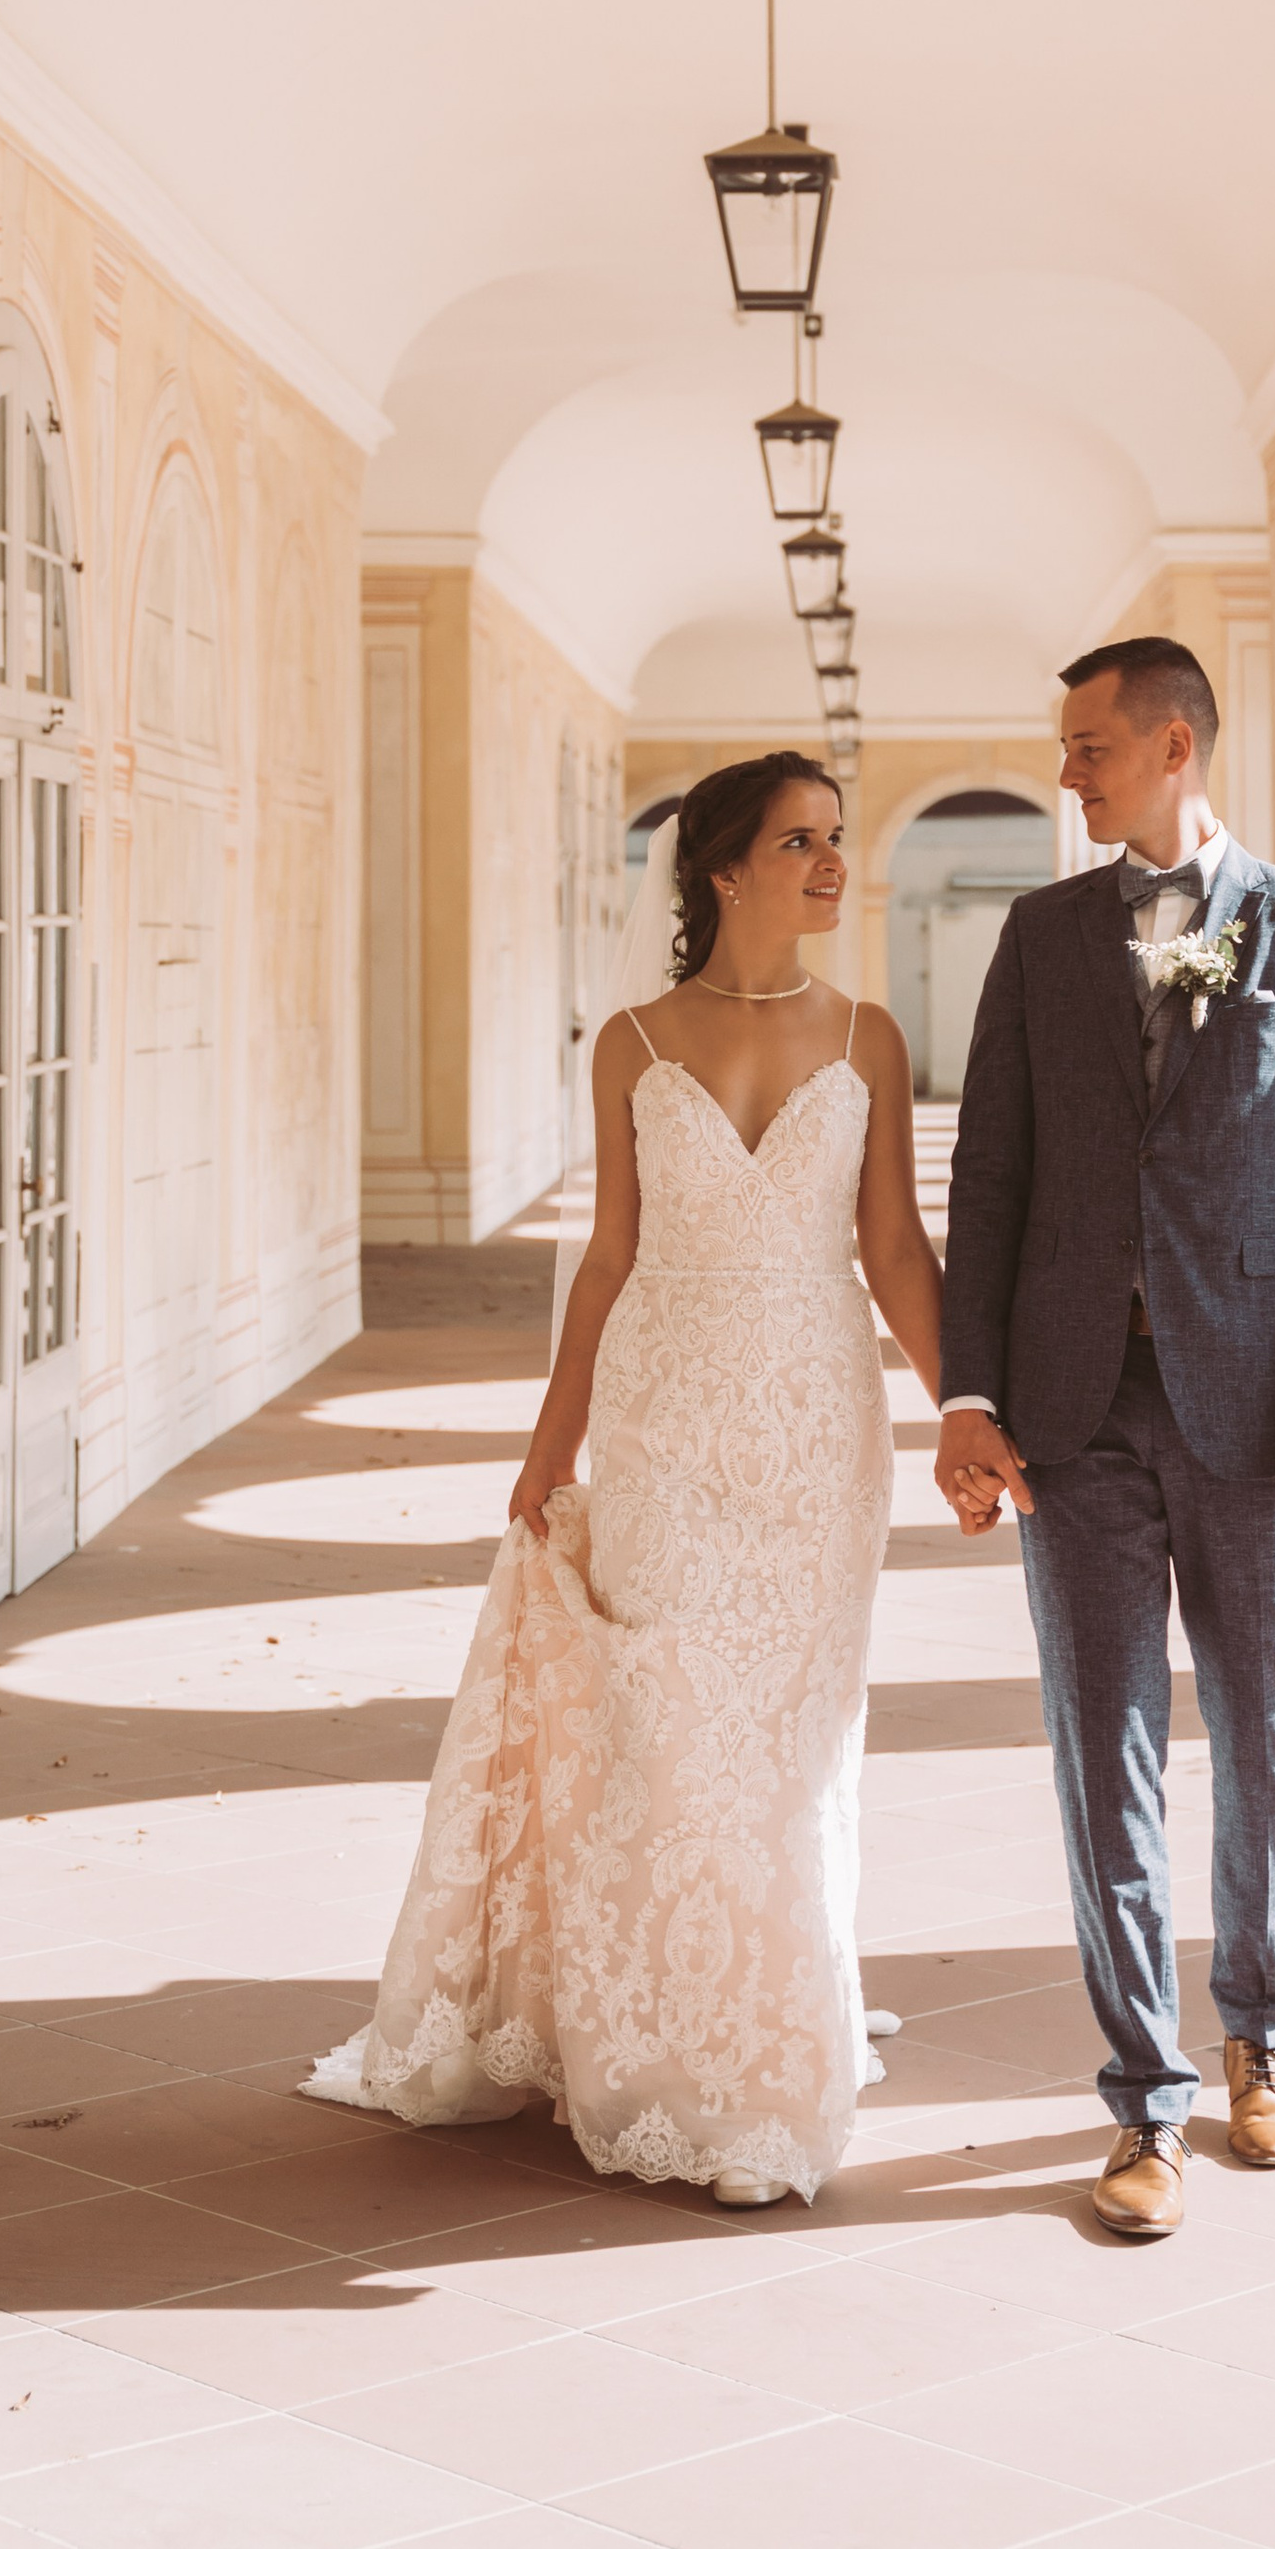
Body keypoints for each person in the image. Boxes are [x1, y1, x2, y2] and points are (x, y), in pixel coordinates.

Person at [304, 750, 945, 2208]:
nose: (832, 863)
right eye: (802, 841)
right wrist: (551, 1441)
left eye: (837, 837)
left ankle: (770, 2045)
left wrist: (973, 1408)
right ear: (725, 869)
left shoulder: (871, 1035)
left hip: (816, 1430)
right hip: (665, 1422)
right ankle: (664, 2040)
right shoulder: (634, 1043)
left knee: (791, 1742)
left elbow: (897, 1248)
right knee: (667, 1726)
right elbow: (608, 1256)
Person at [936, 636, 1275, 2239]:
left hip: (1253, 1407)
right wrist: (969, 1393)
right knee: (1102, 1746)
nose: (1068, 771)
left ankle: (1263, 2032)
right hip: (1071, 1409)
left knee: (1265, 1731)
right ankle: (1144, 2095)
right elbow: (990, 1174)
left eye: (1091, 746)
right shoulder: (1040, 934)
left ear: (1175, 744)